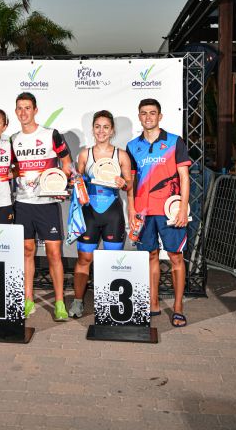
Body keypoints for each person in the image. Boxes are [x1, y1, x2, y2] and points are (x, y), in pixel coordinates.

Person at [126, 98, 191, 327]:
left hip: (169, 211)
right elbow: (131, 181)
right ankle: (153, 304)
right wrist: (132, 208)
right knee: (150, 256)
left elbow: (184, 177)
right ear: (139, 116)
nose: (148, 117)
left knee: (175, 257)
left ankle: (178, 307)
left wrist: (183, 207)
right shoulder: (133, 145)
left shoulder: (174, 142)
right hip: (144, 212)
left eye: (152, 113)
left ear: (160, 116)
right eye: (144, 113)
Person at [11, 92, 72, 321]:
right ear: (16, 112)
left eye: (28, 108)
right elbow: (14, 169)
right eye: (19, 108)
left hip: (47, 203)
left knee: (54, 253)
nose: (23, 112)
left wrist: (59, 180)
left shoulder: (51, 135)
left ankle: (59, 303)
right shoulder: (13, 139)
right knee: (26, 251)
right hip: (23, 203)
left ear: (35, 110)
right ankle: (28, 300)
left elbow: (67, 163)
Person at [69, 110, 133, 318]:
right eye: (98, 126)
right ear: (93, 129)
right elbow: (78, 181)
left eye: (106, 127)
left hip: (112, 213)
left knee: (113, 259)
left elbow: (130, 185)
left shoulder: (121, 154)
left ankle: (111, 305)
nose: (101, 131)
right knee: (84, 258)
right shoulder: (85, 154)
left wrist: (124, 183)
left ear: (112, 130)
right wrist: (75, 182)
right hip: (90, 213)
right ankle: (78, 301)